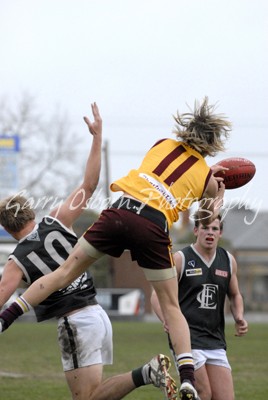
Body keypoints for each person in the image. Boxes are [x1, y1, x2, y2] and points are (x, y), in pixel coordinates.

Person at [0, 96, 232, 400]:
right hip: (144, 237)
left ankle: (5, 321)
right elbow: (206, 216)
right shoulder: (55, 219)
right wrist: (218, 195)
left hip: (119, 212)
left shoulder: (161, 143)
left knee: (63, 274)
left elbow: (5, 288)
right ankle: (187, 376)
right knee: (172, 307)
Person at [151, 213, 248, 400]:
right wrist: (167, 320)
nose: (210, 233)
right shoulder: (181, 259)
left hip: (215, 339)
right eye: (205, 228)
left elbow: (235, 295)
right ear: (196, 231)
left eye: (214, 229)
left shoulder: (228, 261)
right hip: (188, 338)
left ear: (220, 233)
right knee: (203, 393)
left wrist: (239, 317)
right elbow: (156, 295)